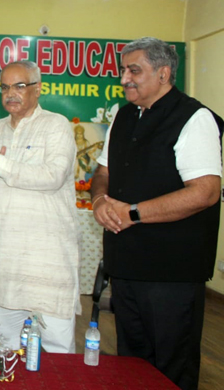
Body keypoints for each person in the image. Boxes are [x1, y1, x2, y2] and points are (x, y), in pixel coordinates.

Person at [90, 37, 222, 390]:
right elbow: (102, 173)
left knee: (171, 367)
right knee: (132, 364)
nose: (123, 79)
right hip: (126, 264)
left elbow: (206, 192)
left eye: (134, 70)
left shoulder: (195, 118)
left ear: (164, 73)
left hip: (172, 271)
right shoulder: (122, 114)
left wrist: (131, 213)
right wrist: (101, 201)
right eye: (122, 70)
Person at [0, 60, 80, 353]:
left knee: (56, 347)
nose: (10, 93)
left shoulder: (56, 125)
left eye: (19, 86)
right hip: (5, 255)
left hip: (46, 259)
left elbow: (53, 176)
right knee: (5, 344)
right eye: (4, 87)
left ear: (38, 89)